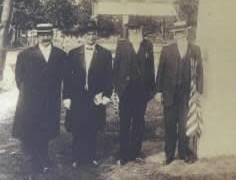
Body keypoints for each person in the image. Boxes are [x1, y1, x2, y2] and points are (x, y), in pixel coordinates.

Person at [12, 23, 68, 176]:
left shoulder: (60, 55)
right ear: (37, 35)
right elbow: (19, 79)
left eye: (48, 34)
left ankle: (44, 157)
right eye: (42, 34)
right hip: (31, 101)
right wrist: (30, 94)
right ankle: (35, 161)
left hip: (50, 101)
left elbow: (63, 77)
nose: (45, 37)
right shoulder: (25, 55)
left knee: (46, 131)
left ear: (52, 35)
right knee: (32, 131)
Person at [63, 20, 113, 167]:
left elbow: (109, 77)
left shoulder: (105, 54)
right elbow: (67, 78)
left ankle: (91, 157)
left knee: (92, 127)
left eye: (93, 34)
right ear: (83, 36)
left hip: (95, 98)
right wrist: (66, 97)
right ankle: (76, 158)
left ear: (97, 35)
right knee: (78, 127)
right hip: (78, 98)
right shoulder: (73, 54)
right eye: (88, 34)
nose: (91, 37)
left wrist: (105, 95)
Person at [156, 21, 203, 164]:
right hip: (169, 94)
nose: (180, 35)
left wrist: (198, 92)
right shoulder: (167, 50)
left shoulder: (195, 50)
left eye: (182, 32)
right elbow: (160, 73)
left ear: (186, 33)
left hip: (186, 95)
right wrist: (158, 91)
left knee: (184, 125)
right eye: (177, 32)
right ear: (174, 34)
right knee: (170, 125)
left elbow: (200, 72)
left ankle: (183, 154)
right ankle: (169, 155)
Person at [113, 21, 155, 165]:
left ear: (141, 28)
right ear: (128, 31)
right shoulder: (122, 45)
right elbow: (116, 68)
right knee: (124, 123)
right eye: (132, 29)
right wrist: (117, 89)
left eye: (137, 28)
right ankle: (123, 154)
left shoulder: (147, 45)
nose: (135, 31)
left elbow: (151, 69)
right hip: (125, 91)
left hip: (141, 91)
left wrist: (151, 90)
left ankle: (136, 153)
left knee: (138, 122)